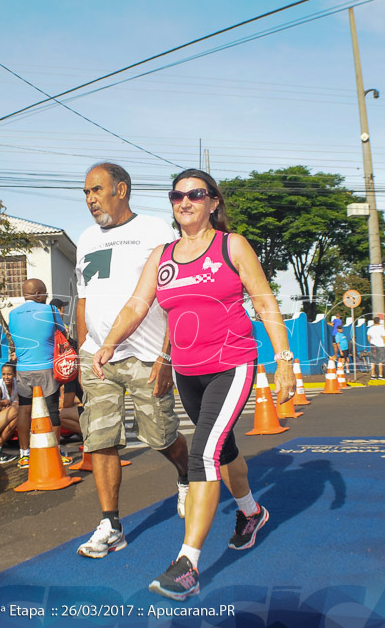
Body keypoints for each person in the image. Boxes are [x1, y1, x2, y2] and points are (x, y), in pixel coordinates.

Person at [92, 168, 295, 601]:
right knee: (225, 451)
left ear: (213, 202)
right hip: (188, 371)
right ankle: (251, 512)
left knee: (203, 453)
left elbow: (263, 300)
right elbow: (137, 303)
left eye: (195, 195)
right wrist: (110, 341)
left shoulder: (231, 245)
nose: (185, 202)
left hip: (231, 364)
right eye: (177, 195)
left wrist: (284, 360)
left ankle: (188, 564)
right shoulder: (163, 256)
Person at [75, 162, 190, 561]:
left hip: (146, 355)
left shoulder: (156, 231)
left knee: (160, 436)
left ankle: (185, 475)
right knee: (100, 438)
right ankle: (111, 525)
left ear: (120, 189)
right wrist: (80, 351)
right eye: (85, 192)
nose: (90, 199)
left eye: (96, 189)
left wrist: (166, 356)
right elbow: (84, 299)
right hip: (98, 356)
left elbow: (174, 298)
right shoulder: (87, 238)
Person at [8, 278, 70, 469]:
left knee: (24, 411)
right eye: (44, 293)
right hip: (46, 368)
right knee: (52, 411)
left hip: (24, 370)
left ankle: (24, 454)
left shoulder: (12, 313)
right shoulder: (50, 311)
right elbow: (62, 333)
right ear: (37, 294)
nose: (46, 297)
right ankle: (56, 451)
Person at [50, 298, 83, 409]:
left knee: (78, 392)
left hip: (57, 363)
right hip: (65, 364)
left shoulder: (47, 324)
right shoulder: (60, 326)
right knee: (71, 391)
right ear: (59, 310)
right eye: (63, 308)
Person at [367, 316, 385, 380]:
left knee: (373, 361)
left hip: (373, 345)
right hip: (381, 346)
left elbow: (368, 337)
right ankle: (380, 375)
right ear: (379, 321)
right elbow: (384, 338)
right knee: (380, 361)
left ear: (373, 321)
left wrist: (371, 343)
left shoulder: (370, 329)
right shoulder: (381, 329)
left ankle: (373, 375)